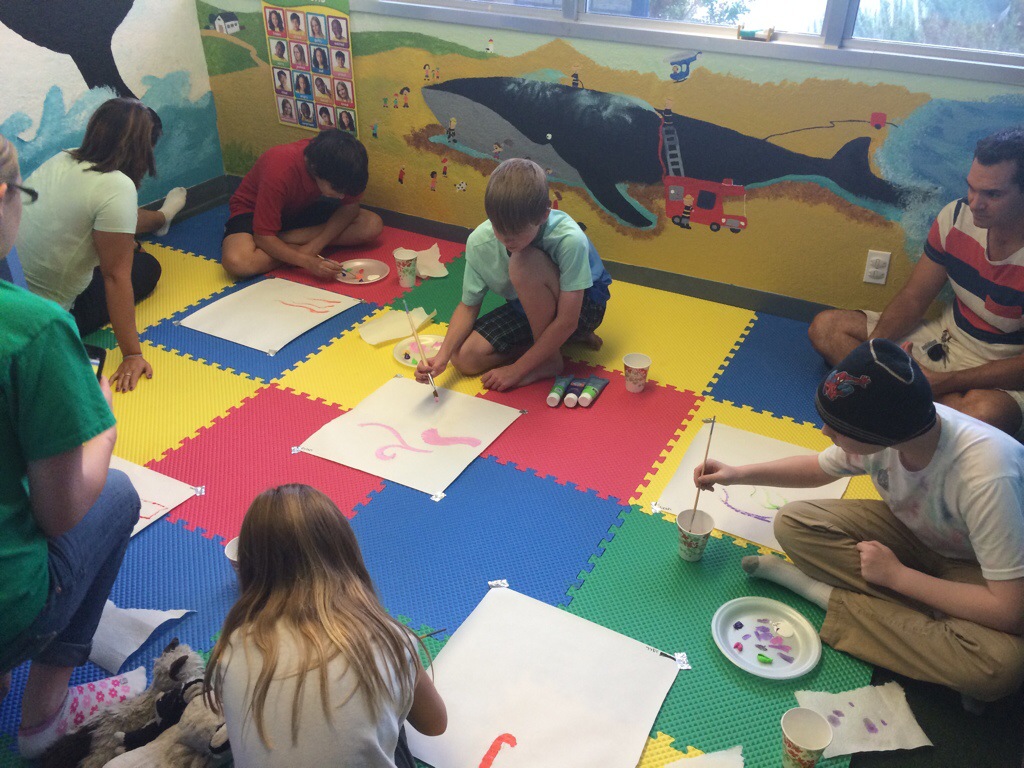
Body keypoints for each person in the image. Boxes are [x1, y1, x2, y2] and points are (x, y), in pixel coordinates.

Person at [694, 339, 1024, 704]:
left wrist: (898, 577)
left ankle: (822, 595)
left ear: (879, 434)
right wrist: (737, 474)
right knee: (794, 523)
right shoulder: (898, 430)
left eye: (837, 429)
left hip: (979, 568)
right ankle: (931, 621)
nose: (825, 433)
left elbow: (1009, 610)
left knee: (998, 668)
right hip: (917, 533)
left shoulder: (987, 476)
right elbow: (817, 468)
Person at [0, 135, 141, 760]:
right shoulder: (33, 328)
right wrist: (103, 432)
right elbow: (60, 514)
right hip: (10, 602)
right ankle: (44, 715)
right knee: (117, 492)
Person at [205, 484, 447, 766]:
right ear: (347, 553)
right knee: (391, 721)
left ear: (248, 566)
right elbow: (435, 724)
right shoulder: (389, 638)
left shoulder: (232, 646)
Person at [808, 128, 1024, 440]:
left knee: (984, 415)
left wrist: (947, 381)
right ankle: (916, 407)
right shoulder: (955, 217)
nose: (975, 203)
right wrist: (874, 355)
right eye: (972, 188)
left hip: (999, 368)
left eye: (993, 195)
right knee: (826, 328)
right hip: (944, 338)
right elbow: (913, 298)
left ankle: (897, 398)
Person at [16, 98, 187, 392]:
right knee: (146, 266)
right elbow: (115, 277)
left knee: (117, 237)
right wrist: (132, 354)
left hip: (11, 299)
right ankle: (160, 219)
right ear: (142, 149)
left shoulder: (63, 158)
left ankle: (161, 217)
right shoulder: (118, 185)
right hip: (45, 320)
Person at [416, 158, 611, 392]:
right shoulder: (479, 242)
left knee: (523, 262)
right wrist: (441, 357)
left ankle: (549, 360)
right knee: (465, 358)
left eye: (517, 231)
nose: (507, 239)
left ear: (544, 215)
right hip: (527, 307)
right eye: (498, 229)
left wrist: (517, 369)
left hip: (583, 310)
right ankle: (549, 348)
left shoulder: (569, 239)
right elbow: (468, 306)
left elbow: (568, 320)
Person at [222, 130, 382, 279]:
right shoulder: (279, 167)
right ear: (316, 170)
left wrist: (314, 246)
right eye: (337, 191)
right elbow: (262, 236)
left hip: (299, 209)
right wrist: (307, 261)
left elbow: (350, 206)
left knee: (371, 224)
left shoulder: (344, 162)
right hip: (253, 211)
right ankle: (281, 245)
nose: (342, 196)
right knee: (238, 263)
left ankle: (281, 241)